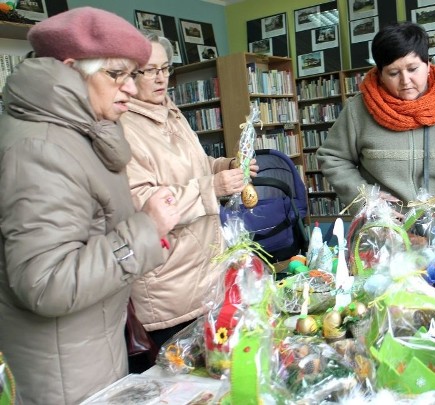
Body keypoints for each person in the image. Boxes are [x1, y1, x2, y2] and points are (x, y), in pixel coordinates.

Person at [0, 7, 181, 404]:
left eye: (132, 74)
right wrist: (145, 229)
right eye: (116, 74)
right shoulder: (42, 148)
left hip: (87, 350)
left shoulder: (78, 131)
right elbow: (46, 281)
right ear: (72, 69)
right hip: (64, 373)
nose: (131, 88)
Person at [119, 32, 258, 353]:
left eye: (165, 69)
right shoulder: (123, 127)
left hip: (205, 273)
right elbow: (143, 204)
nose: (160, 79)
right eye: (148, 70)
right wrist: (213, 188)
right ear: (128, 74)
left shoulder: (170, 111)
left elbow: (196, 165)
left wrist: (224, 166)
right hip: (168, 289)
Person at [316, 22, 435, 216]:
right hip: (384, 230)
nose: (405, 81)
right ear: (380, 74)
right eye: (393, 73)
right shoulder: (358, 110)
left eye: (413, 69)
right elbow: (332, 158)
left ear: (428, 66)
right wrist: (366, 199)